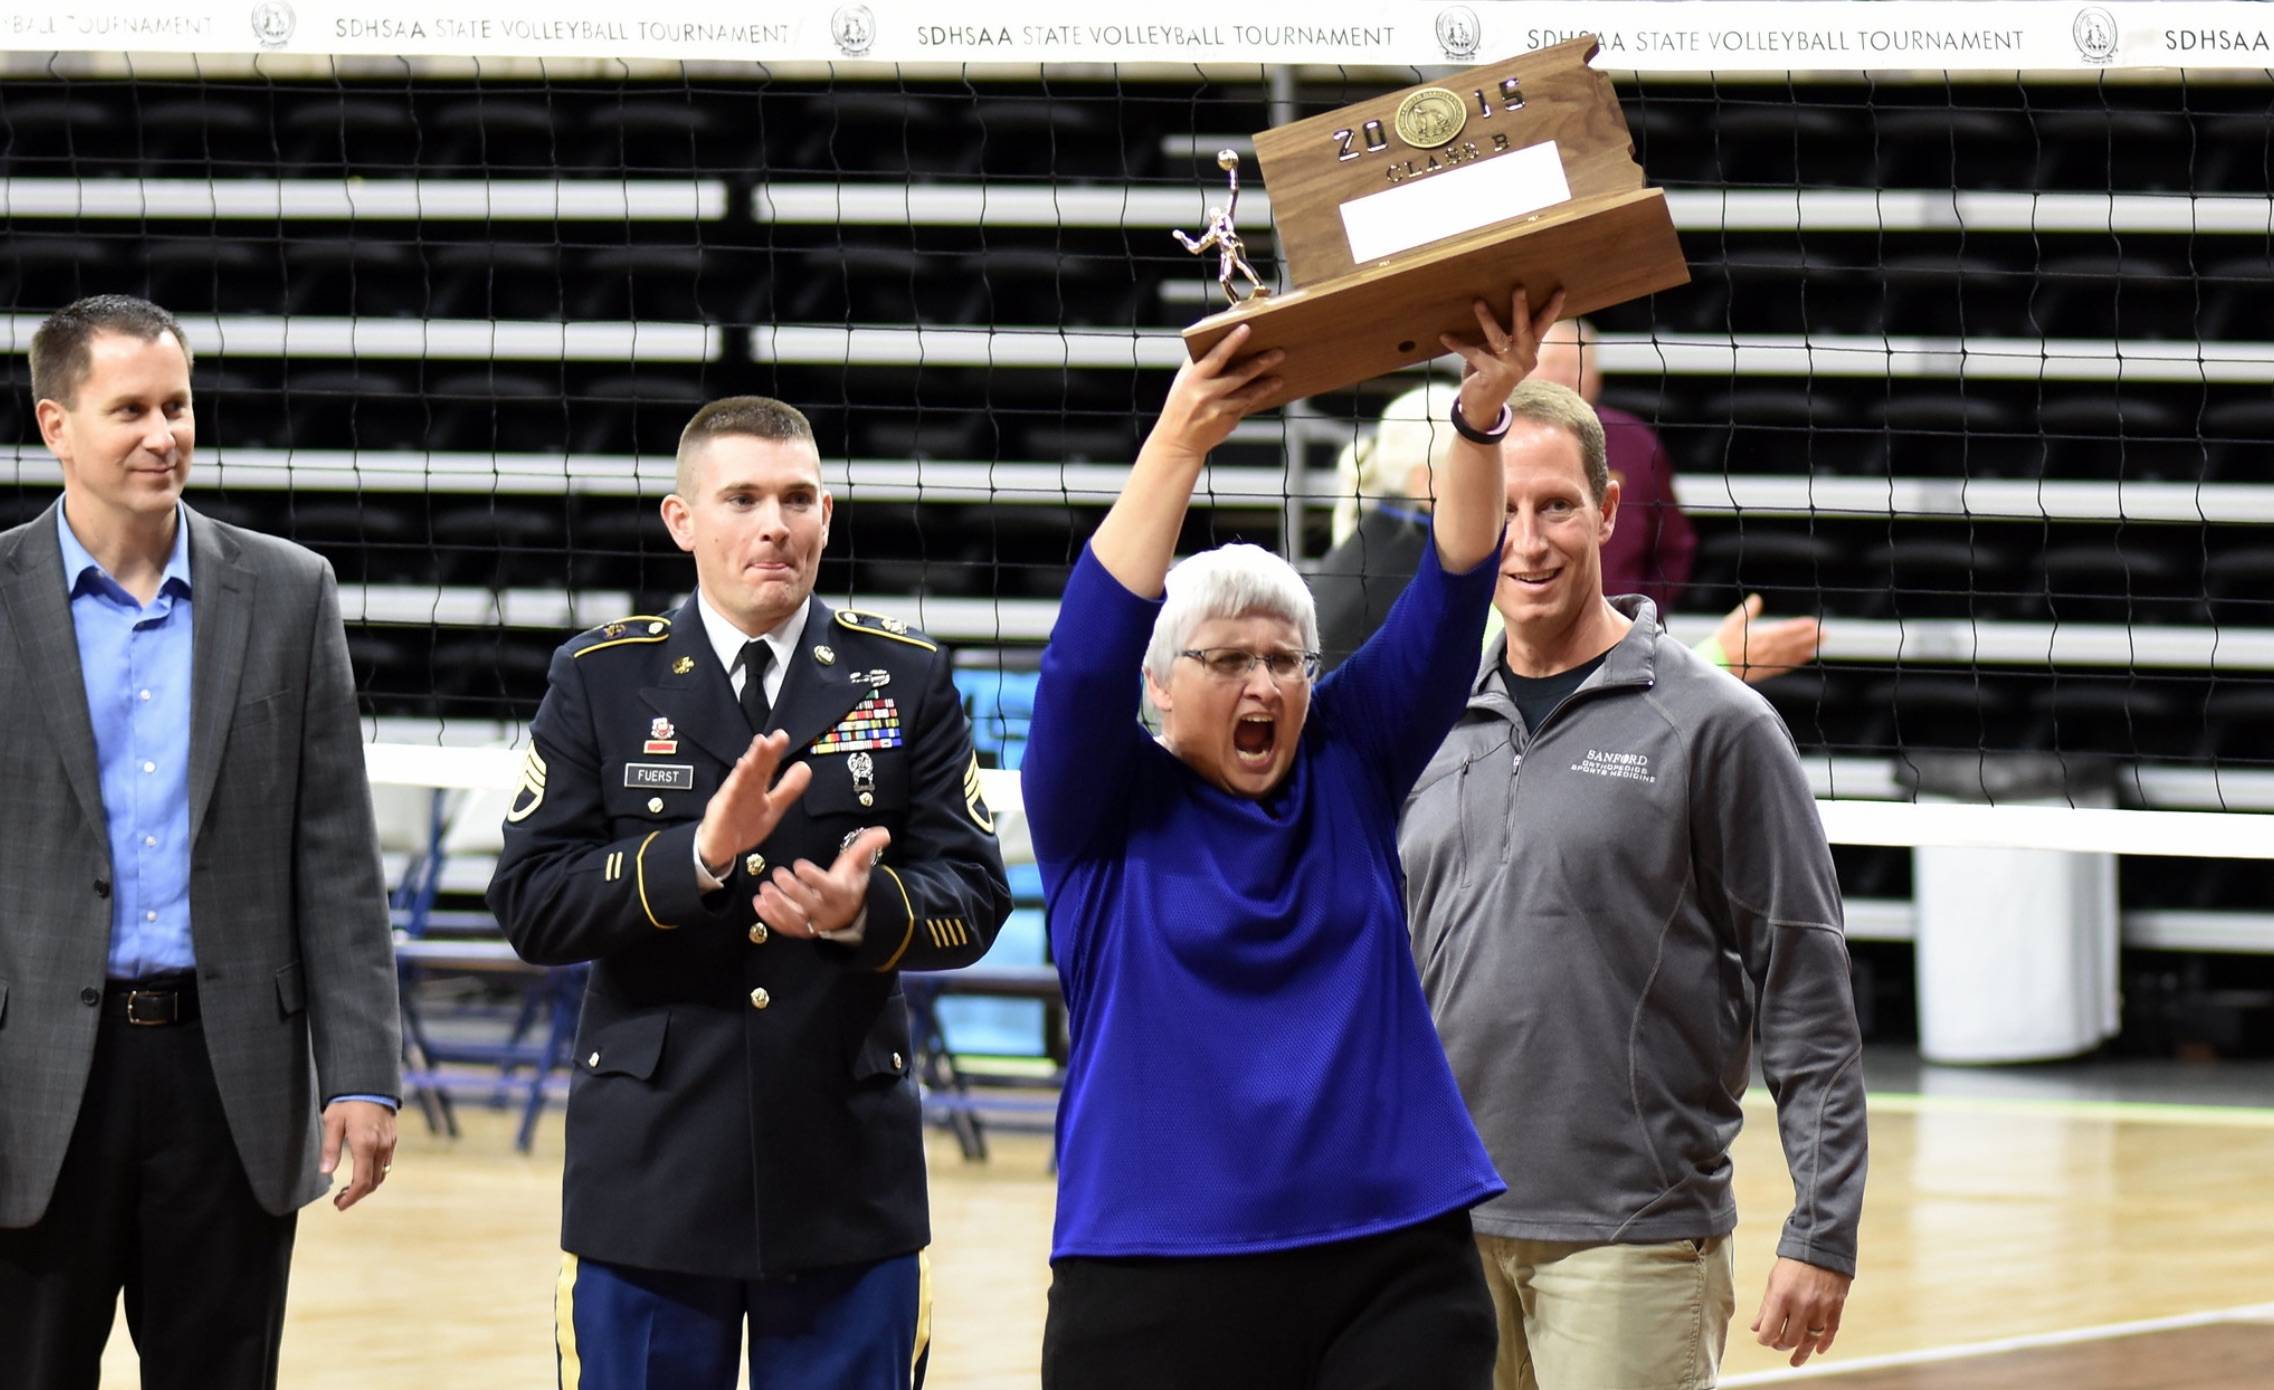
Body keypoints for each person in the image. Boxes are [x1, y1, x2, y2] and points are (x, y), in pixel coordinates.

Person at [1026, 289, 1561, 1389]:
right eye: (1228, 660)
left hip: (1391, 1256)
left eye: (1286, 659)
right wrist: (1182, 434)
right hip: (1158, 1267)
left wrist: (1481, 416)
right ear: (1161, 689)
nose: (1264, 680)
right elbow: (1081, 660)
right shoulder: (1098, 805)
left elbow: (1458, 589)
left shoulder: (1348, 764)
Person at [487, 395, 1011, 1390]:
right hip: (652, 1180)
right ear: (682, 521)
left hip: (846, 1183)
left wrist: (865, 912)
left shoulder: (904, 679)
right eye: (743, 498)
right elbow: (529, 901)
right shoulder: (602, 680)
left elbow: (975, 895)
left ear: (827, 516)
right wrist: (694, 857)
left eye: (799, 497)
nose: (776, 522)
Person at [1400, 379, 1868, 1390]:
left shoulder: (1717, 727)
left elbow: (1805, 983)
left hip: (1631, 1237)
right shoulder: (1420, 719)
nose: (1526, 541)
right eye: (1505, 508)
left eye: (1557, 505)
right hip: (1432, 1235)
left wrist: (1822, 1227)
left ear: (1609, 511)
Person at [0, 294, 401, 1389]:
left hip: (228, 1074)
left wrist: (363, 1068)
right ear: (54, 425)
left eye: (175, 404)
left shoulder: (287, 591)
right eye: (127, 408)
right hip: (30, 1077)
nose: (162, 432)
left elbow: (336, 856)